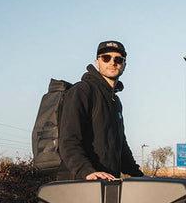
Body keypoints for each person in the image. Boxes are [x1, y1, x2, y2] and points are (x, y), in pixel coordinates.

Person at [57, 41, 144, 181]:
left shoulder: (115, 102)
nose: (112, 62)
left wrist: (140, 176)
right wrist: (87, 171)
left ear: (124, 65)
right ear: (97, 62)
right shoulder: (82, 91)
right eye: (106, 58)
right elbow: (68, 141)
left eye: (118, 59)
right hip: (79, 183)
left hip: (107, 184)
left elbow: (121, 147)